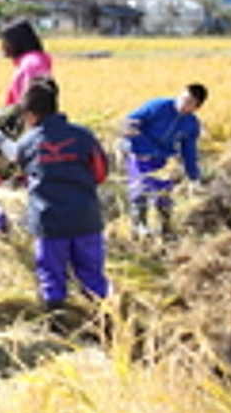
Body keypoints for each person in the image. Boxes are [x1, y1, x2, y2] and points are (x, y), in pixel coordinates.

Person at [14, 77, 109, 321]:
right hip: (85, 218)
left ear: (32, 115)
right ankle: (106, 324)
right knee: (92, 275)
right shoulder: (84, 136)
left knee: (52, 276)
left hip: (50, 222)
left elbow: (21, 174)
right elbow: (100, 173)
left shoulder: (27, 143)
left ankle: (56, 325)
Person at [122, 83, 208, 239]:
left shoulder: (191, 124)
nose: (183, 104)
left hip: (163, 161)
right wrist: (133, 135)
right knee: (140, 190)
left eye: (189, 103)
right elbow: (131, 121)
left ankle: (165, 229)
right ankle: (139, 226)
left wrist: (193, 175)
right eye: (183, 98)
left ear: (197, 107)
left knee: (164, 195)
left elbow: (189, 150)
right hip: (140, 155)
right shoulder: (159, 106)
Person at [0, 19, 52, 106]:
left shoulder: (32, 63)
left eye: (5, 41)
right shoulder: (27, 62)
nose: (2, 46)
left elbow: (35, 99)